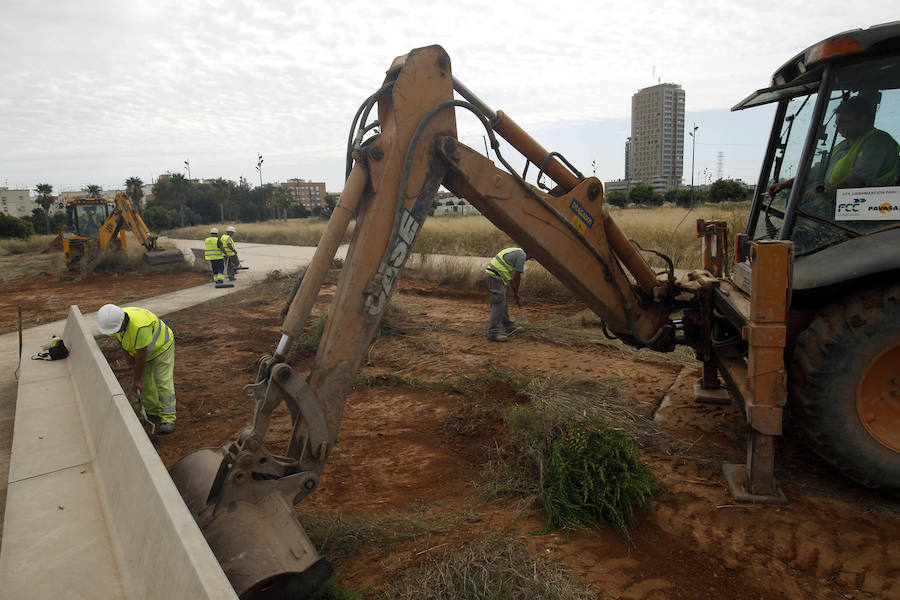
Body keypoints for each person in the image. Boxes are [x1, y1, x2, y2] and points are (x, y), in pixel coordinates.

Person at [768, 96, 900, 204]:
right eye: (837, 124)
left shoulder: (877, 142)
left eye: (844, 122)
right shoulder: (842, 146)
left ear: (862, 119)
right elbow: (815, 172)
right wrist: (784, 185)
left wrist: (821, 192)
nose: (839, 127)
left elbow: (857, 179)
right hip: (841, 209)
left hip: (870, 212)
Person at [98, 304, 176, 434]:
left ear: (122, 321)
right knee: (146, 384)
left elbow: (142, 356)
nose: (114, 332)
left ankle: (168, 418)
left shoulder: (139, 327)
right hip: (142, 351)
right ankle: (152, 413)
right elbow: (120, 337)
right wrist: (126, 354)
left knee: (162, 382)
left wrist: (137, 379)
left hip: (161, 347)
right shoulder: (113, 321)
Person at [483, 247, 528, 342]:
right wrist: (517, 291)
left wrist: (515, 292)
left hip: (494, 276)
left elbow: (511, 277)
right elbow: (517, 275)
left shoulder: (515, 251)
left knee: (503, 302)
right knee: (498, 304)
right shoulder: (522, 255)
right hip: (495, 277)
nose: (527, 260)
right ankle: (493, 334)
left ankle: (509, 327)